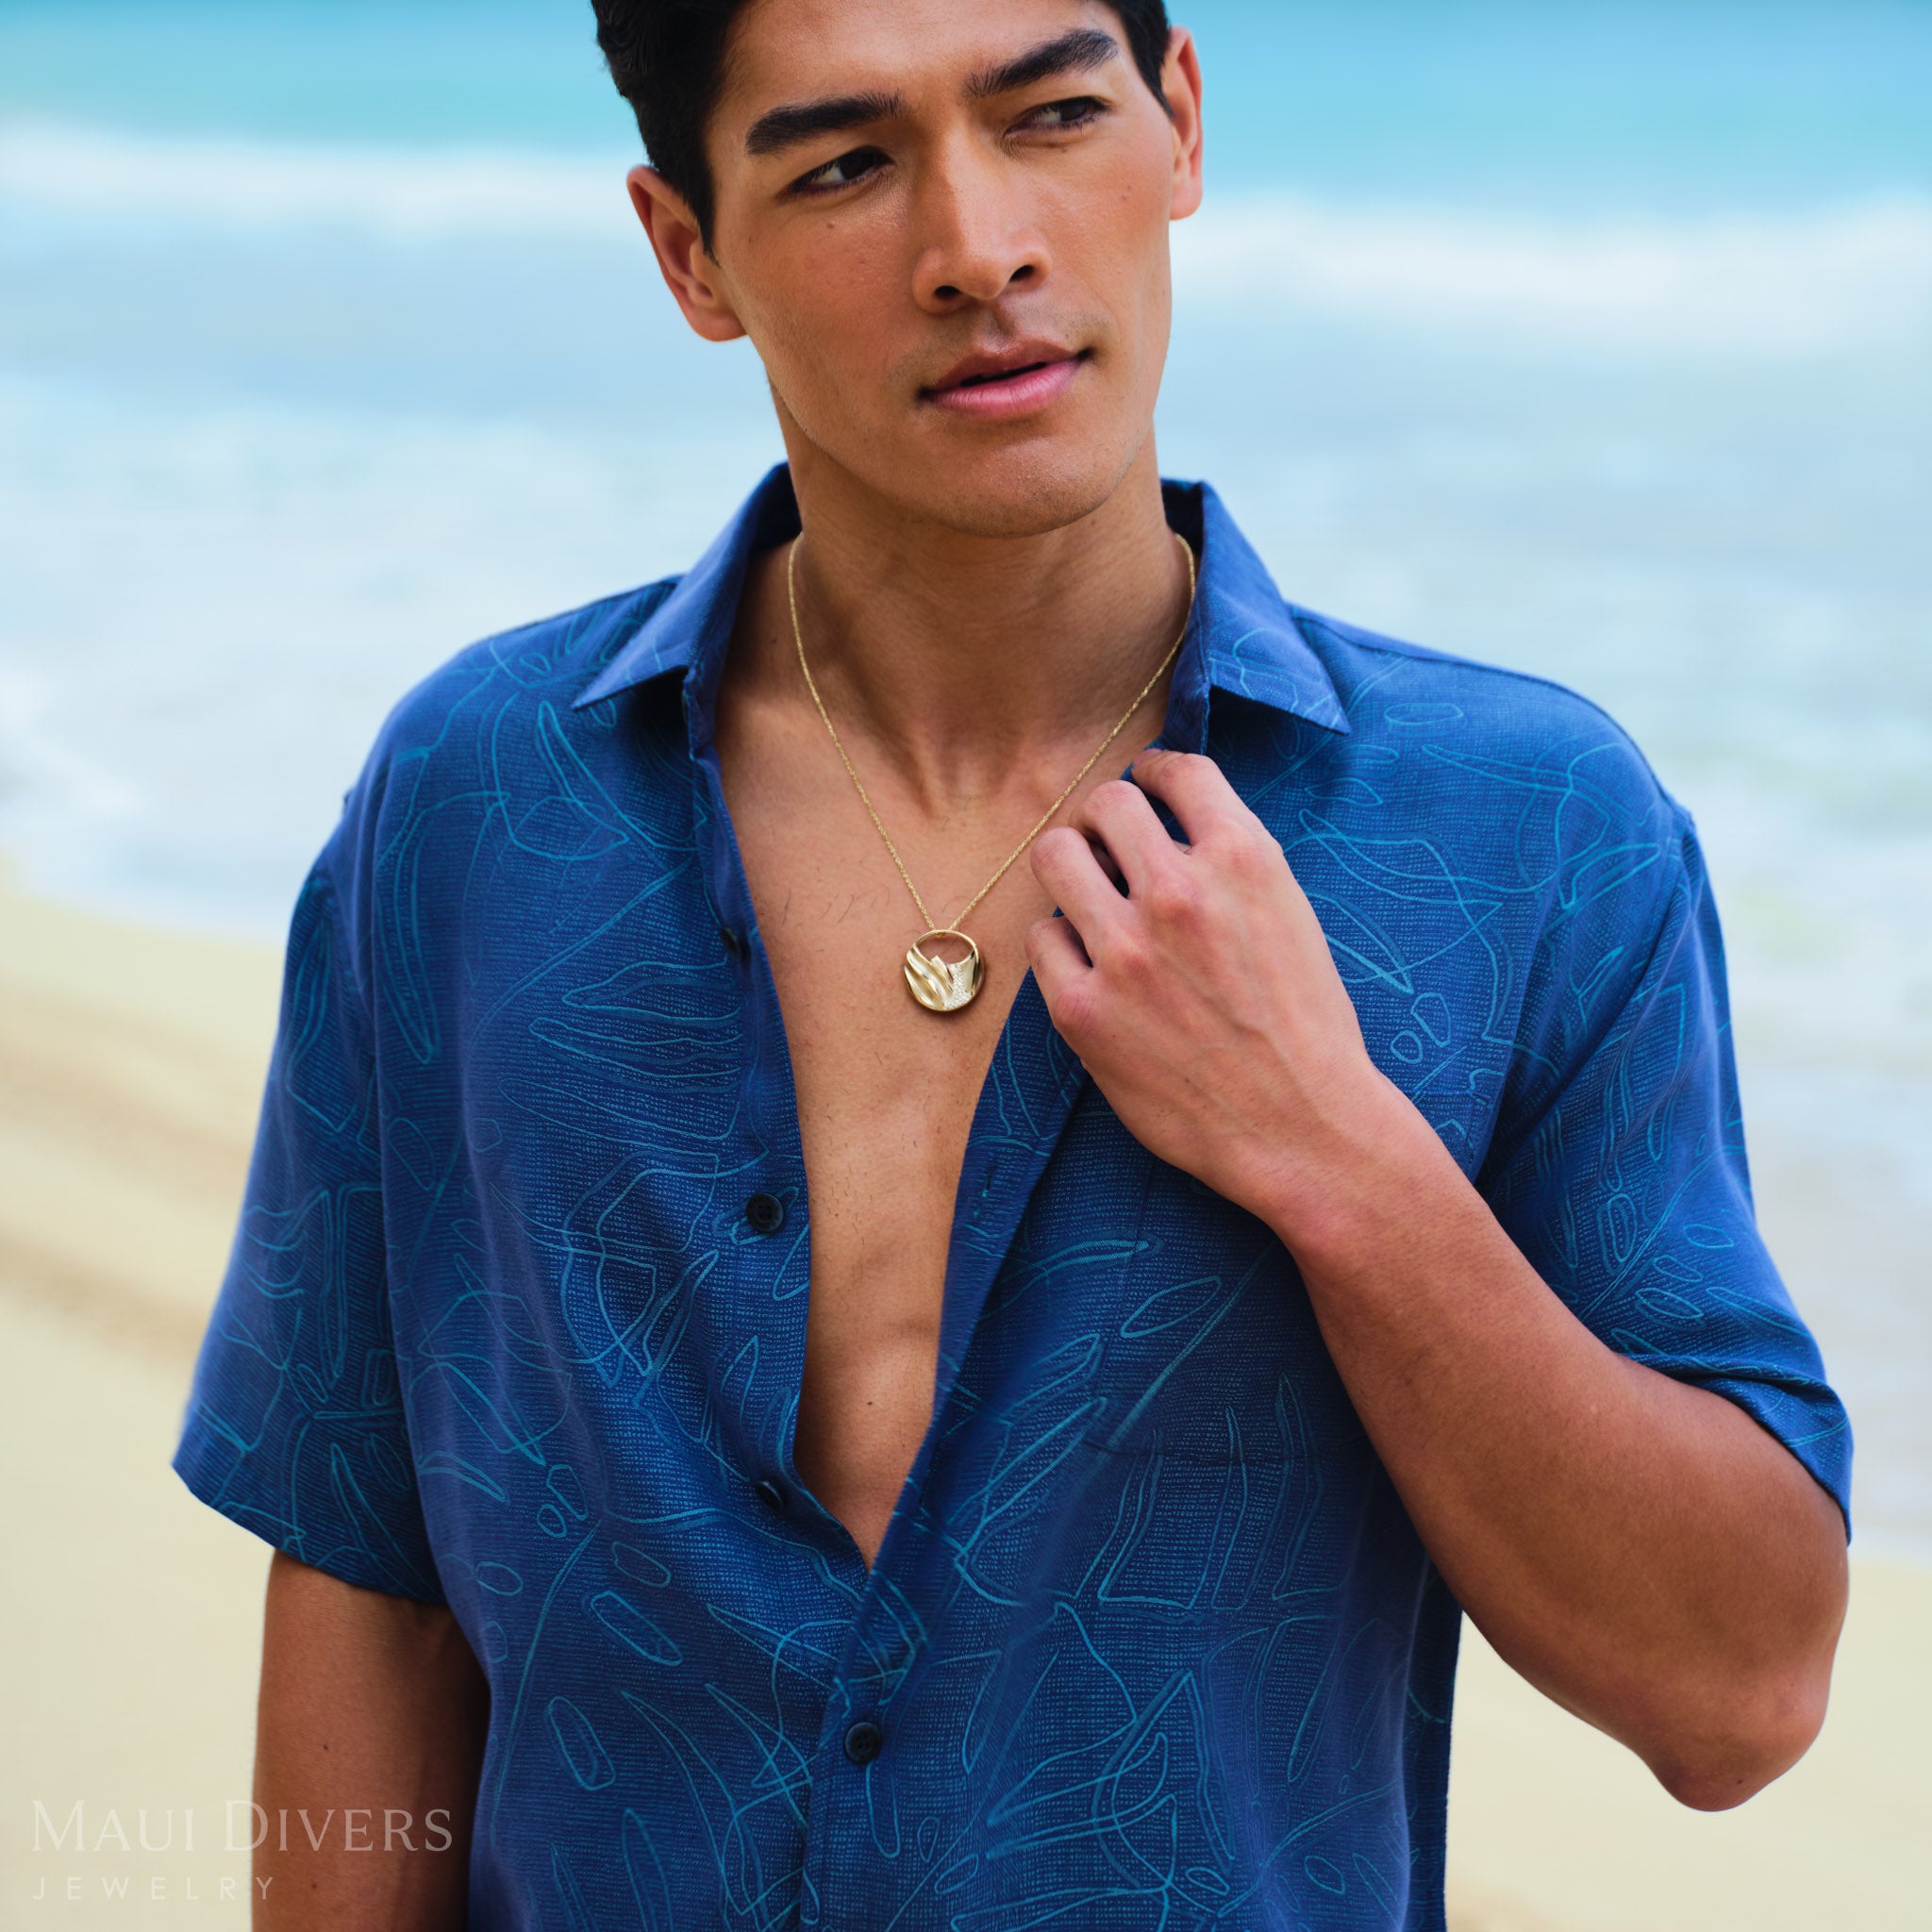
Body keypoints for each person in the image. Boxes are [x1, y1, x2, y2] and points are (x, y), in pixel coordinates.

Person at [172, 2, 1853, 1925]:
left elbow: (1737, 1685)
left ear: (1182, 125)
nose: (978, 245)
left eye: (1051, 115)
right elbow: (368, 1587)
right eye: (843, 163)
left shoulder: (1525, 835)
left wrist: (1335, 1155)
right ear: (688, 254)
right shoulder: (476, 808)